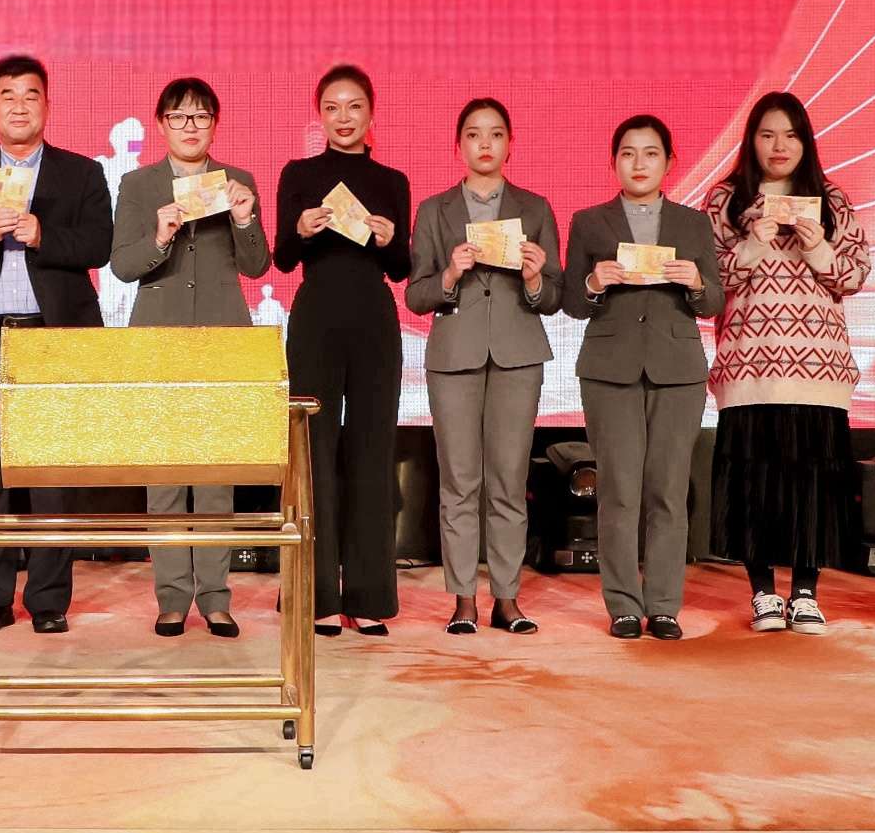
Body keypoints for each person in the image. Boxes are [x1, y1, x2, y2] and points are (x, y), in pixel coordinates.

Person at [0, 54, 113, 634]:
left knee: (53, 474)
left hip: (55, 340)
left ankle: (49, 601)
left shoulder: (81, 172)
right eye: (7, 95)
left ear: (47, 106)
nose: (18, 106)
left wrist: (43, 235)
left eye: (30, 95)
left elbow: (101, 245)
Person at [705, 90, 871, 635]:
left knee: (811, 485)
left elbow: (853, 275)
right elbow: (709, 283)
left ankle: (804, 593)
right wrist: (751, 244)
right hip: (748, 366)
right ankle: (762, 594)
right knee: (754, 483)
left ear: (806, 142)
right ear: (751, 141)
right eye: (768, 134)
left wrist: (818, 245)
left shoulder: (831, 199)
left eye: (791, 135)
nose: (779, 146)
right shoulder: (726, 200)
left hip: (818, 369)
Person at [109, 77, 269, 638]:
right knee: (166, 474)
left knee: (217, 472)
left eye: (200, 117)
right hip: (159, 338)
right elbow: (122, 266)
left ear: (215, 125)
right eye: (179, 117)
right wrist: (159, 238)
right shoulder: (138, 184)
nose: (190, 127)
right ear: (161, 125)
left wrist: (245, 219)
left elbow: (257, 267)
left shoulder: (237, 181)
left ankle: (217, 596)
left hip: (223, 339)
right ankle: (173, 595)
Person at [558, 115, 722, 641]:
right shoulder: (590, 221)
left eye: (651, 153)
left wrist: (697, 283)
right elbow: (570, 302)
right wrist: (592, 281)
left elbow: (714, 300)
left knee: (669, 491)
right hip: (610, 369)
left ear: (669, 162)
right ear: (614, 163)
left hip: (677, 370)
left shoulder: (693, 224)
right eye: (628, 153)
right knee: (620, 491)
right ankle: (623, 605)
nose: (639, 163)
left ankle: (665, 605)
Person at [407, 97, 562, 636]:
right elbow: (416, 295)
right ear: (459, 146)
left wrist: (536, 278)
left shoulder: (535, 208)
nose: (485, 144)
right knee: (459, 481)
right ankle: (463, 600)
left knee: (509, 480)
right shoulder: (435, 210)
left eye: (495, 134)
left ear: (510, 144)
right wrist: (450, 274)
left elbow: (555, 296)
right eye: (474, 134)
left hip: (518, 354)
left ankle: (507, 598)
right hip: (454, 355)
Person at [274, 64, 411, 637]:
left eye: (354, 106)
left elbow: (401, 268)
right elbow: (282, 257)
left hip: (374, 318)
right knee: (314, 451)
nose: (343, 117)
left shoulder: (392, 180)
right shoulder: (299, 174)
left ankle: (368, 594)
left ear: (371, 113)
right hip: (316, 318)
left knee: (372, 451)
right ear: (320, 115)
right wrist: (301, 230)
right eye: (332, 107)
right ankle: (317, 594)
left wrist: (390, 240)